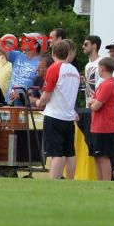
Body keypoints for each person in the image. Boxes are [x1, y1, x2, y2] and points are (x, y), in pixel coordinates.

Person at [36, 40, 80, 179]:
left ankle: (53, 181)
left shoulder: (54, 68)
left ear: (53, 53)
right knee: (69, 152)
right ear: (68, 53)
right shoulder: (74, 71)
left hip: (54, 115)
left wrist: (39, 102)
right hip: (68, 116)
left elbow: (47, 95)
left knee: (56, 153)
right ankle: (70, 180)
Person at [87, 57, 114, 181]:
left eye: (98, 68)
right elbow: (93, 100)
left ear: (102, 68)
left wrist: (93, 102)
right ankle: (100, 182)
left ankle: (106, 182)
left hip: (105, 127)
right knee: (97, 156)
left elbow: (95, 106)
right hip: (97, 126)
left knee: (104, 157)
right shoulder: (103, 84)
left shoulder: (108, 84)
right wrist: (93, 101)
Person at [82, 35, 102, 107]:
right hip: (89, 106)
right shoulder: (87, 65)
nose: (83, 46)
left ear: (94, 46)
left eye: (86, 44)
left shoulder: (102, 62)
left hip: (99, 105)